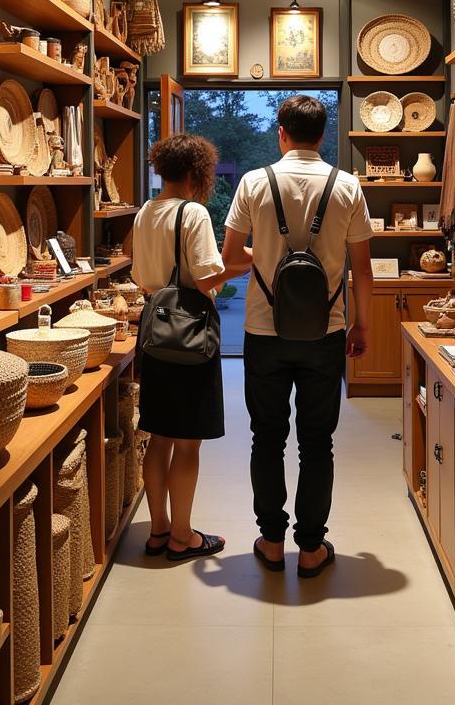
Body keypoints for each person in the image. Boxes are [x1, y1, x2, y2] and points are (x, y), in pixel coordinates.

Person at [222, 95, 374, 577]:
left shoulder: (253, 182)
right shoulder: (347, 185)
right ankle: (311, 549)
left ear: (281, 133)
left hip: (263, 332)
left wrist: (266, 258)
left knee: (266, 438)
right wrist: (361, 323)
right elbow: (362, 269)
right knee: (317, 441)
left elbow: (230, 259)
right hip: (325, 333)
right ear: (322, 135)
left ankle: (271, 542)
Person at [132, 133, 250, 562]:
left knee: (158, 436)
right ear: (198, 172)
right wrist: (250, 261)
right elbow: (205, 280)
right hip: (189, 337)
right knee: (187, 444)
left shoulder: (146, 211)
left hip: (154, 333)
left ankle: (159, 530)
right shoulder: (193, 213)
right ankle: (184, 537)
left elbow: (144, 276)